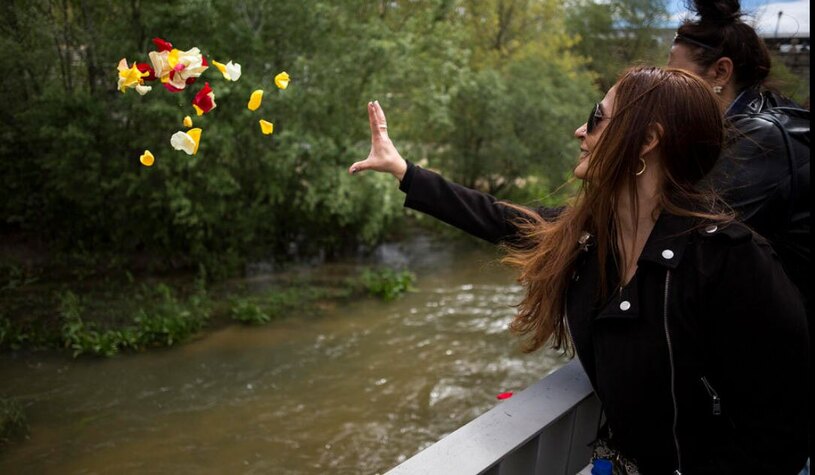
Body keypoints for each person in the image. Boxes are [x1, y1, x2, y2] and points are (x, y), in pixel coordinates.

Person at [348, 67, 809, 473]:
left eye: (597, 117)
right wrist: (405, 171)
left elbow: (783, 424)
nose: (579, 130)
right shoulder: (588, 240)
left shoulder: (730, 260)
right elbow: (499, 217)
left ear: (647, 140)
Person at [667, 0, 810, 315]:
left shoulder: (760, 140)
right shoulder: (757, 116)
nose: (666, 89)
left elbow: (677, 235)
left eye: (676, 76)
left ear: (720, 72)